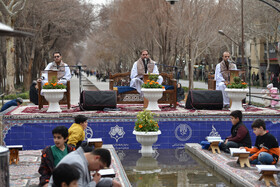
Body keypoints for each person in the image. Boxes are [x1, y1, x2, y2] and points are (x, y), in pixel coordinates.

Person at [48, 148, 122, 187]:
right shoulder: (77, 164)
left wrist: (110, 181)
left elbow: (86, 181)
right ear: (96, 158)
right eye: (100, 166)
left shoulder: (81, 159)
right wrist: (94, 181)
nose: (98, 170)